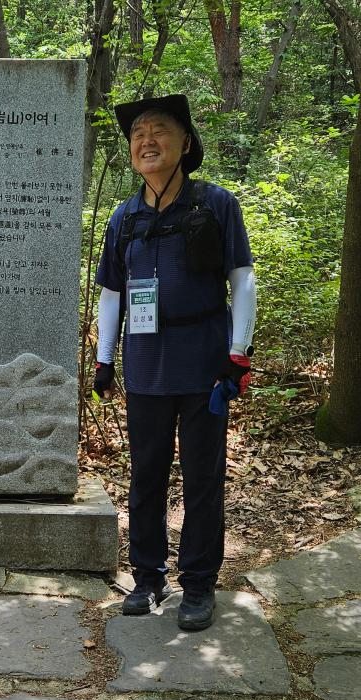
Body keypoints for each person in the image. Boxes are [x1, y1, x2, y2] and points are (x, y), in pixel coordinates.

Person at [93, 95, 257, 631]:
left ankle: (200, 584)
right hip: (145, 363)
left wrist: (238, 353)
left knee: (203, 476)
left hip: (205, 360)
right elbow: (113, 292)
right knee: (146, 474)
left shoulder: (216, 204)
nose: (146, 141)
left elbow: (242, 279)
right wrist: (104, 359)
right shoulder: (125, 216)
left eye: (159, 130)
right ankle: (146, 576)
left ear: (186, 142)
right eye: (138, 133)